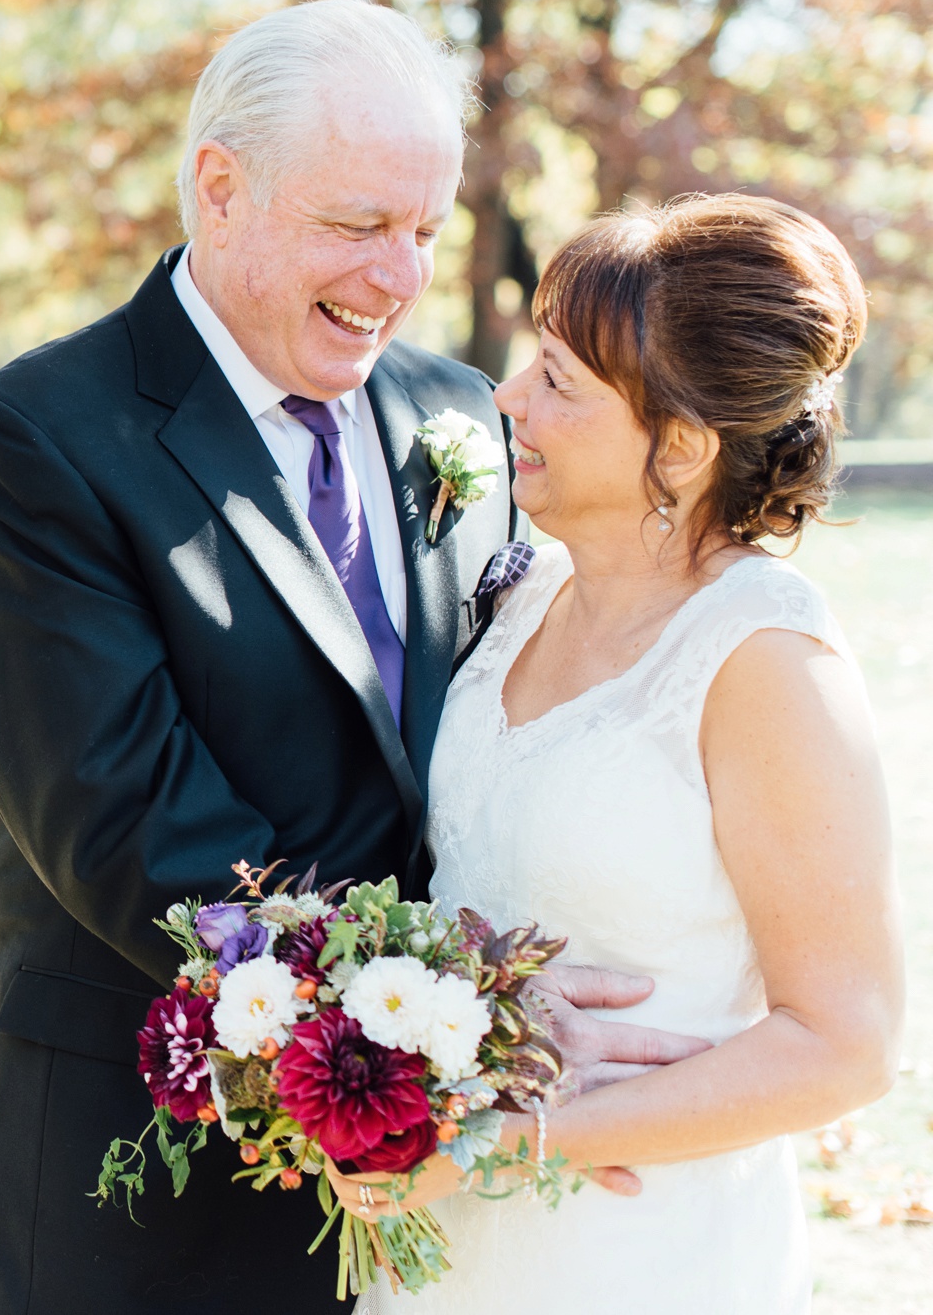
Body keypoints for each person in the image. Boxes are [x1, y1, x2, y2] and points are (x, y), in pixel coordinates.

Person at [0, 0, 706, 1315]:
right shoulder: (35, 442)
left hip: (446, 1209)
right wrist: (476, 1006)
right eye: (357, 226)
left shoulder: (455, 409)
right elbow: (131, 826)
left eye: (423, 230)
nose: (397, 279)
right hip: (144, 1202)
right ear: (219, 190)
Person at [329, 194, 902, 1313]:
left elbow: (845, 1041)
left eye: (556, 380)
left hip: (641, 1254)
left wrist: (513, 1143)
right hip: (446, 1243)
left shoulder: (762, 659)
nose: (505, 400)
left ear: (679, 448)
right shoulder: (521, 592)